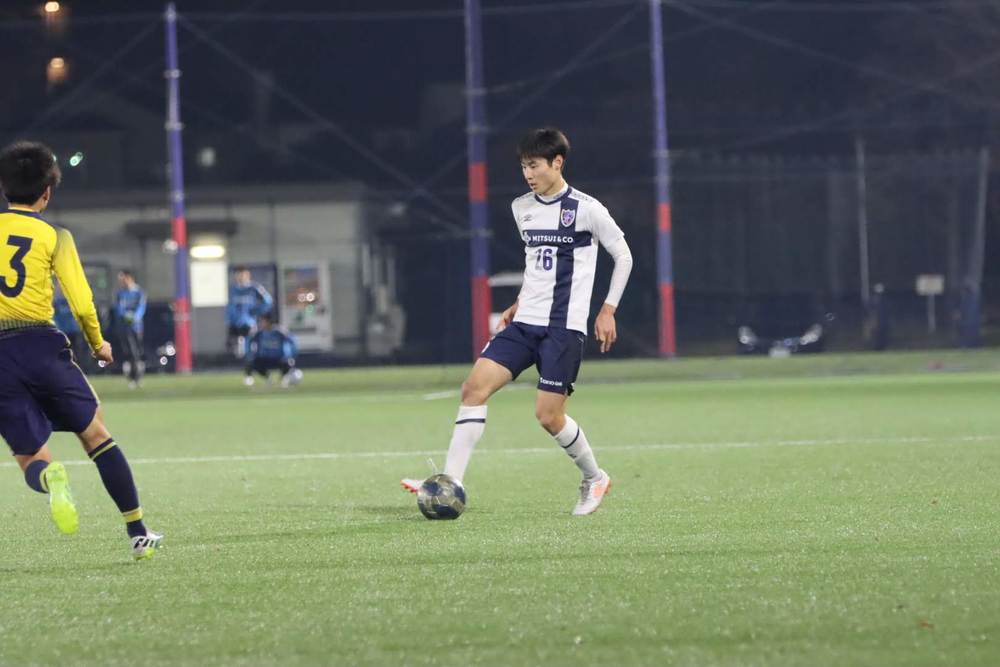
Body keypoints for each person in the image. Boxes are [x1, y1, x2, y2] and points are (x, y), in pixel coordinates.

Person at [401, 127, 633, 515]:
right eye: (524, 166)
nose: (528, 174)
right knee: (473, 389)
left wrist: (608, 309)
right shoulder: (521, 207)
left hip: (563, 329)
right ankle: (451, 482)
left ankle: (594, 478)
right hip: (524, 324)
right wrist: (519, 301)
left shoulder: (587, 209)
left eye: (535, 165)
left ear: (557, 162)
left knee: (548, 416)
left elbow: (624, 256)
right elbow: (537, 265)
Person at [0, 141, 162, 560]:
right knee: (95, 434)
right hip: (40, 342)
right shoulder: (55, 236)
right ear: (47, 192)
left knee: (30, 457)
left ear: (4, 188)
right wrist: (97, 343)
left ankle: (49, 477)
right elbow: (81, 300)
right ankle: (137, 532)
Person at [226, 266, 273, 358]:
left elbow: (268, 302)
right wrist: (229, 319)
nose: (241, 278)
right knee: (234, 350)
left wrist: (255, 311)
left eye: (243, 275)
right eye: (238, 275)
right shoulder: (232, 289)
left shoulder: (254, 288)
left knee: (249, 345)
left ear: (247, 275)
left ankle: (250, 360)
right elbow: (229, 307)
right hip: (235, 324)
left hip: (249, 323)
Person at [244, 313, 301, 388]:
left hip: (278, 358)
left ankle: (284, 379)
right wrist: (249, 353)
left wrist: (292, 355)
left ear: (269, 321)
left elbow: (292, 340)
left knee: (289, 362)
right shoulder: (258, 332)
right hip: (263, 358)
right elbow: (249, 340)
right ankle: (253, 379)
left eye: (262, 321)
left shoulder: (279, 331)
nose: (260, 323)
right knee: (251, 362)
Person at [113, 269, 146, 388]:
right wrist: (125, 316)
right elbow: (118, 308)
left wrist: (135, 317)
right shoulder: (120, 293)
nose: (122, 282)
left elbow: (141, 307)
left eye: (123, 279)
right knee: (129, 351)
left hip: (136, 327)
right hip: (124, 327)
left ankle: (137, 376)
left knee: (136, 351)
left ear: (129, 278)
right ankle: (133, 377)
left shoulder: (139, 292)